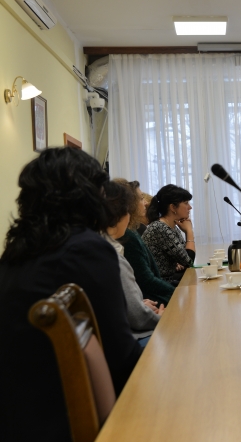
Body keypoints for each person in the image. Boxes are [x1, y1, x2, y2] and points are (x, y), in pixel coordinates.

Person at [0, 148, 141, 441]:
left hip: (17, 411)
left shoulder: (15, 252)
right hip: (68, 413)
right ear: (88, 195)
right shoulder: (87, 248)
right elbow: (119, 355)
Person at [103, 181, 164, 346]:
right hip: (127, 340)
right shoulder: (112, 253)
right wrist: (162, 317)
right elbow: (137, 317)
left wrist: (137, 304)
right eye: (140, 198)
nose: (145, 203)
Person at [115, 179, 175, 305]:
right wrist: (176, 292)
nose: (146, 203)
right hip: (148, 298)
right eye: (141, 198)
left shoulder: (132, 231)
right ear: (130, 204)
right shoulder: (127, 236)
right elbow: (146, 280)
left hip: (148, 294)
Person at [142, 184, 195, 283]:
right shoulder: (160, 228)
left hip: (170, 279)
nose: (190, 207)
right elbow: (189, 262)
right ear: (173, 207)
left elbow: (184, 257)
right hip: (161, 284)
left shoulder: (171, 226)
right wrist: (189, 231)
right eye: (186, 203)